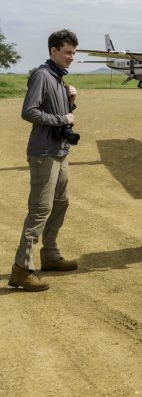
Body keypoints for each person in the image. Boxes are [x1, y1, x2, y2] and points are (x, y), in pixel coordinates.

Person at [9, 30, 80, 292]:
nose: (71, 57)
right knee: (40, 209)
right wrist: (63, 119)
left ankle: (49, 254)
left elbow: (59, 114)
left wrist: (70, 103)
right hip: (43, 152)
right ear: (53, 51)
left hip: (60, 151)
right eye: (67, 52)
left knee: (61, 203)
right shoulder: (42, 75)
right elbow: (29, 112)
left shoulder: (59, 78)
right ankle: (21, 269)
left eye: (73, 52)